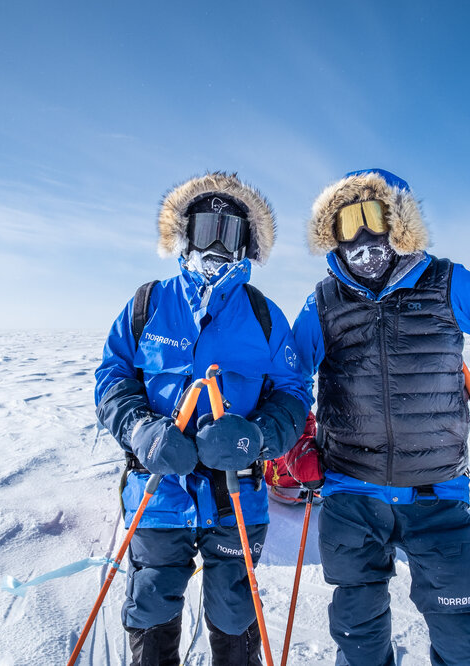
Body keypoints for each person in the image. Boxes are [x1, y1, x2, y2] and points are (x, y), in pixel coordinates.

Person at [291, 168, 470, 666]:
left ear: (400, 221)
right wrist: (297, 441)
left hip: (437, 492)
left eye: (374, 216)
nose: (362, 234)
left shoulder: (445, 281)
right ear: (332, 232)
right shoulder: (324, 301)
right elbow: (288, 376)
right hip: (350, 490)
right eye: (347, 223)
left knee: (465, 639)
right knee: (358, 635)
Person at [94, 172, 309, 666]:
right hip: (158, 488)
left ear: (246, 244)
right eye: (204, 226)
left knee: (235, 613)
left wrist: (256, 436)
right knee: (150, 607)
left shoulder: (265, 315)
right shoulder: (148, 304)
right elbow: (112, 377)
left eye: (229, 231)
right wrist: (141, 430)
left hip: (236, 494)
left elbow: (295, 394)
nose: (215, 242)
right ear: (184, 233)